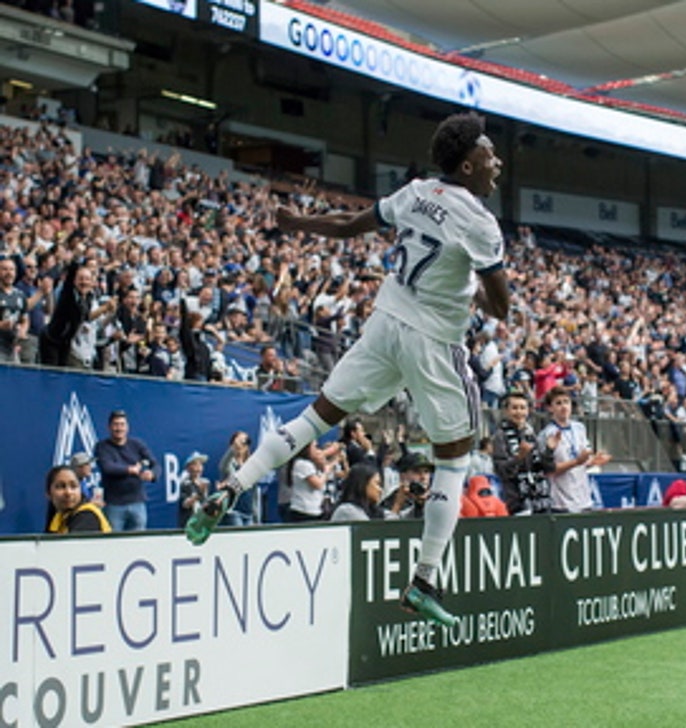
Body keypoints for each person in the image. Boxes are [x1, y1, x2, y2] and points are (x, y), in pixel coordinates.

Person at [187, 112, 510, 630]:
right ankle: (425, 579)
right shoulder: (480, 222)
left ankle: (232, 487)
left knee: (316, 418)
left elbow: (345, 225)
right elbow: (502, 309)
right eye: (492, 156)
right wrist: (468, 285)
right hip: (433, 340)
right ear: (469, 164)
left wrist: (296, 224)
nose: (499, 164)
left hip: (384, 324)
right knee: (454, 458)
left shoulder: (416, 192)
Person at [538, 386, 610, 513]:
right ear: (550, 408)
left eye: (566, 402)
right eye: (558, 403)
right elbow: (549, 470)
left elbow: (583, 459)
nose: (564, 407)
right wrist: (577, 461)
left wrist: (593, 461)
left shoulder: (579, 428)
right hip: (561, 502)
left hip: (583, 498)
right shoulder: (547, 434)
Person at [94, 409, 157, 532]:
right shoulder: (102, 447)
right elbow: (108, 467)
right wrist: (129, 469)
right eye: (115, 424)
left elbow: (155, 463)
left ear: (127, 427)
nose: (119, 428)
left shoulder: (137, 444)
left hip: (137, 503)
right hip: (114, 505)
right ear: (109, 427)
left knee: (138, 542)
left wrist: (152, 474)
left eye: (122, 424)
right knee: (114, 543)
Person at [492, 391, 555, 514]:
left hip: (540, 498)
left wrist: (549, 450)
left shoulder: (531, 434)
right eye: (514, 408)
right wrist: (518, 457)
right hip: (516, 500)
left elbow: (547, 468)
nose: (519, 412)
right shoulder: (500, 436)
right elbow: (501, 470)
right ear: (506, 411)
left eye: (522, 408)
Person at [45, 465, 110, 534]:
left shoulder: (87, 516)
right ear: (48, 493)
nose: (68, 492)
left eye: (73, 486)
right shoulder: (58, 516)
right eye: (61, 486)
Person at [217, 431, 256, 526]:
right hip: (233, 511)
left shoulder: (250, 466)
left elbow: (253, 492)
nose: (241, 446)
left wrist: (255, 514)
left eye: (245, 443)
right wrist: (233, 448)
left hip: (248, 512)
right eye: (240, 442)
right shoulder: (230, 464)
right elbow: (223, 465)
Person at [0, 256, 28, 363]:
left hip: (12, 348)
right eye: (4, 269)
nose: (9, 273)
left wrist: (22, 331)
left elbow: (24, 319)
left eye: (12, 269)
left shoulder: (20, 295)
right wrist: (2, 325)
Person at [177, 452, 210, 526]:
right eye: (195, 464)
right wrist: (199, 494)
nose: (198, 467)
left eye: (200, 464)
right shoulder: (185, 484)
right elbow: (186, 504)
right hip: (188, 525)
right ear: (188, 468)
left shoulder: (205, 483)